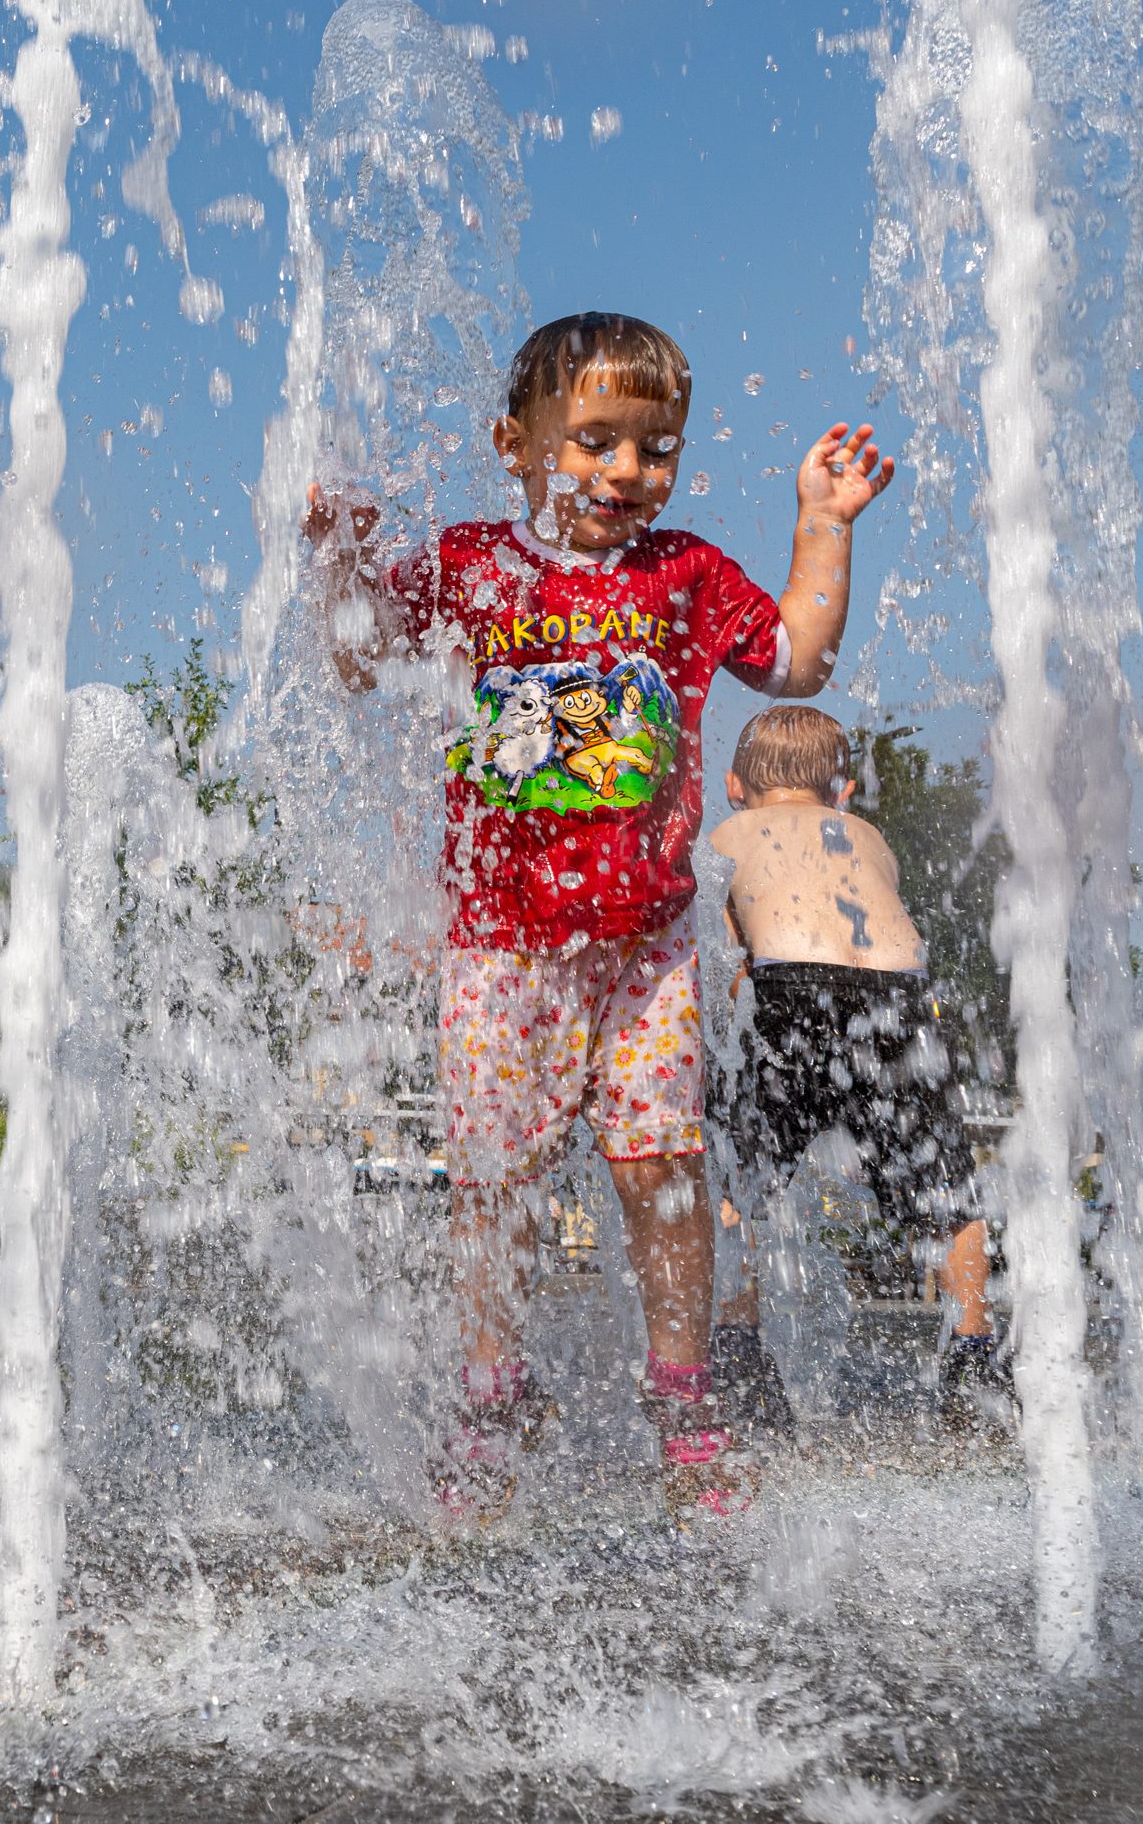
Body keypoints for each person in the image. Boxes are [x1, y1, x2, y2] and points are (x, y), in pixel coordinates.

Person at [301, 309, 896, 1523]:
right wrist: (342, 567)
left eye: (655, 447)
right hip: (502, 943)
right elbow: (362, 657)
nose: (628, 471)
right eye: (595, 442)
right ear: (518, 444)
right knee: (494, 1183)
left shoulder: (683, 576)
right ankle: (492, 1392)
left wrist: (821, 528)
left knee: (664, 1173)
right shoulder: (478, 565)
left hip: (647, 950)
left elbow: (796, 662)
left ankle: (683, 1401)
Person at [706, 704, 1005, 1431]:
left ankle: (740, 1348)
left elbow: (723, 959)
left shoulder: (728, 836)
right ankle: (975, 1349)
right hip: (898, 1001)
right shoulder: (868, 838)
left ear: (733, 785)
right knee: (945, 1189)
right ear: (842, 790)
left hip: (787, 990)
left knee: (731, 1175)